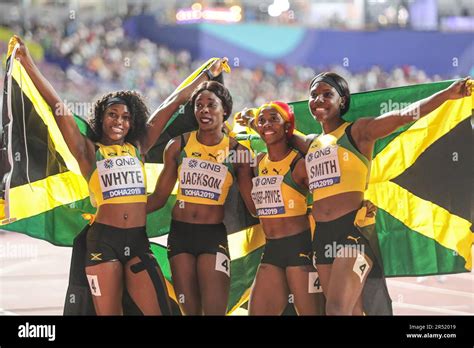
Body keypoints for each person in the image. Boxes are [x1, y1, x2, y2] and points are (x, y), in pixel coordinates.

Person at [13, 35, 229, 315]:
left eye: (126, 117)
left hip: (137, 241)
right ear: (101, 118)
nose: (119, 121)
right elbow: (58, 109)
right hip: (102, 241)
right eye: (113, 115)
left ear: (133, 122)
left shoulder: (138, 147)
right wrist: (27, 62)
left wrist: (203, 75)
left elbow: (171, 104)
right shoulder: (88, 151)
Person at [291, 72, 472, 315]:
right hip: (321, 236)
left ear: (342, 100)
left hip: (351, 233)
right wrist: (251, 124)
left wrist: (447, 95)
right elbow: (280, 132)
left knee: (335, 310)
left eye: (327, 94)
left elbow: (403, 116)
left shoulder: (359, 131)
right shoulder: (311, 143)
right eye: (313, 95)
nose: (319, 100)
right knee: (351, 311)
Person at [147, 80, 255, 315]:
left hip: (212, 237)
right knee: (189, 311)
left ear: (224, 110)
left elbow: (253, 207)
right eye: (199, 105)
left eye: (211, 105)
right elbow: (158, 198)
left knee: (215, 311)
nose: (204, 110)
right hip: (180, 236)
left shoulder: (239, 153)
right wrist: (115, 210)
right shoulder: (178, 145)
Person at [245, 101, 320, 315]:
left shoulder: (300, 164)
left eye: (273, 119)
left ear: (288, 127)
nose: (267, 124)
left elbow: (328, 194)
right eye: (262, 121)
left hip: (301, 250)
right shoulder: (258, 163)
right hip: (271, 251)